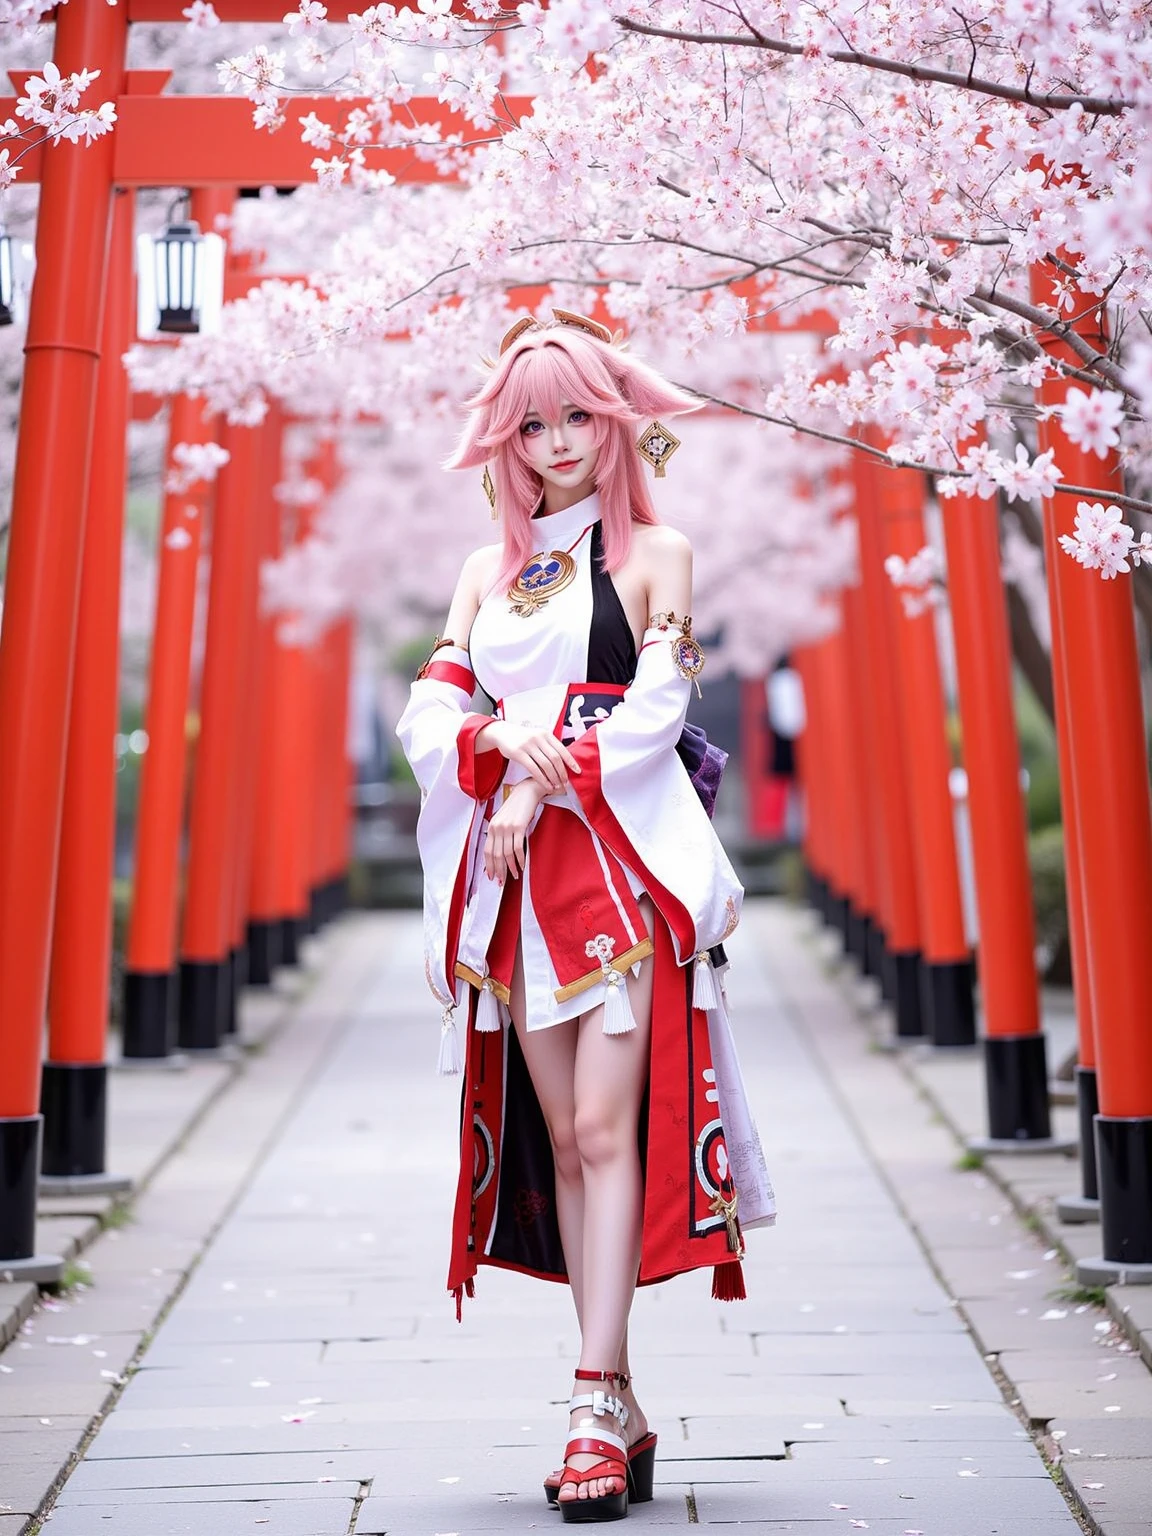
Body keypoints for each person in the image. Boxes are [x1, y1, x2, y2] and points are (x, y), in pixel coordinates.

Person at [397, 313, 774, 1524]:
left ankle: (586, 1403)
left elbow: (657, 713)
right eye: (534, 423)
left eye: (576, 418)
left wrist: (531, 769)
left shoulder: (658, 553)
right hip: (515, 900)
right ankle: (622, 1405)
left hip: (614, 879)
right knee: (563, 1148)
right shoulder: (482, 573)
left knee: (607, 1136)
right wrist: (493, 745)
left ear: (612, 423)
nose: (557, 442)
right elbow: (430, 718)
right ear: (506, 439)